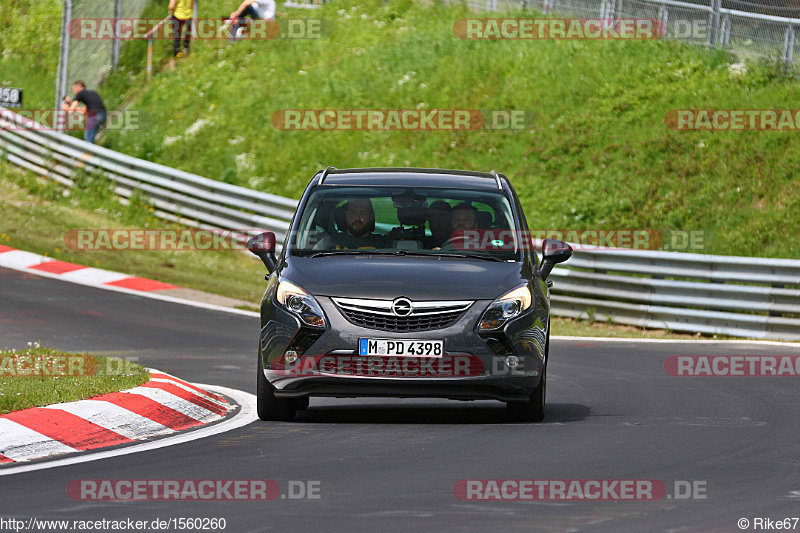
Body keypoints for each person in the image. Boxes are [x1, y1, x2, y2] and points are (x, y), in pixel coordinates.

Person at [317, 198, 390, 250]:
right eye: (352, 212)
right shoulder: (328, 242)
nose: (357, 217)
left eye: (363, 213)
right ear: (346, 216)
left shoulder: (384, 243)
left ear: (371, 216)